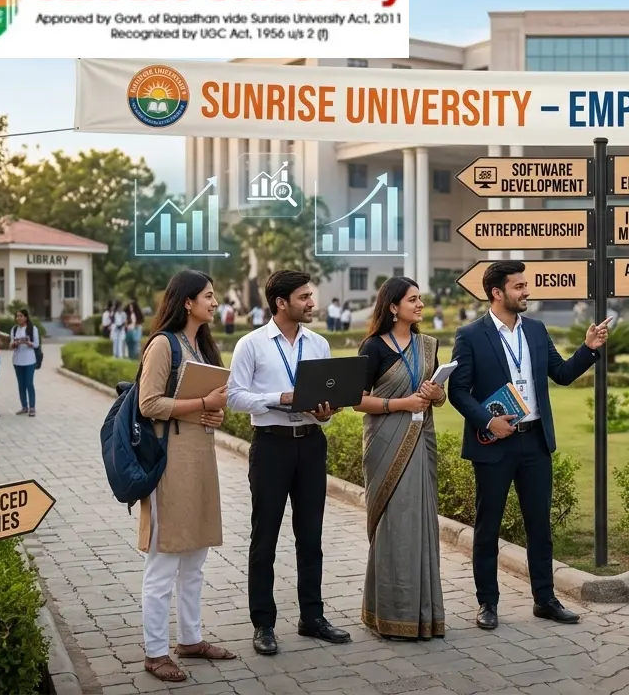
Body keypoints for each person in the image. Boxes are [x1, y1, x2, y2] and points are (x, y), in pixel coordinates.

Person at [448, 260, 607, 631]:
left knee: (540, 527)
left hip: (535, 442)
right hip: (493, 444)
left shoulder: (536, 330)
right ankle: (487, 603)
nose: (526, 292)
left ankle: (545, 599)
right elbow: (458, 390)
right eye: (519, 286)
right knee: (488, 527)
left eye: (526, 285)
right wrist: (488, 420)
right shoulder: (470, 335)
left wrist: (588, 349)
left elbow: (562, 374)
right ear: (497, 293)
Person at [226, 270, 351, 655]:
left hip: (312, 445)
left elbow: (327, 399)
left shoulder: (319, 343)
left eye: (310, 296)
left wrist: (327, 411)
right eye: (304, 297)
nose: (312, 303)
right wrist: (281, 398)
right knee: (264, 538)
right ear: (281, 303)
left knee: (311, 537)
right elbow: (234, 396)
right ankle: (263, 624)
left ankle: (312, 617)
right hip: (271, 447)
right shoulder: (251, 345)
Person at [135, 270, 235, 682]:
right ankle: (155, 651)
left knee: (196, 557)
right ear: (187, 302)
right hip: (169, 463)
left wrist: (213, 410)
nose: (215, 302)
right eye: (209, 296)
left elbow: (206, 405)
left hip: (201, 459)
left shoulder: (202, 345)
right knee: (164, 560)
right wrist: (200, 402)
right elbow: (148, 403)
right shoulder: (163, 345)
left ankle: (190, 639)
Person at [354, 277, 448, 640]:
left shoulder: (427, 346)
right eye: (413, 299)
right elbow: (356, 400)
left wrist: (434, 392)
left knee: (421, 523)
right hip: (385, 444)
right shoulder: (373, 348)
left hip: (420, 440)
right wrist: (402, 403)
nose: (420, 304)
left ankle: (424, 616)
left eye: (421, 298)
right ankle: (389, 615)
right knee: (394, 528)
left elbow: (439, 397)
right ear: (393, 307)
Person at [10, 309, 41, 417]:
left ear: (26, 317)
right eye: (17, 316)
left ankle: (32, 407)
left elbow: (37, 344)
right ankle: (24, 406)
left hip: (29, 360)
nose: (19, 318)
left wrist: (28, 343)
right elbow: (10, 345)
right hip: (17, 361)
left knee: (29, 383)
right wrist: (15, 343)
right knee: (21, 385)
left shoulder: (32, 329)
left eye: (21, 316)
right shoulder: (14, 329)